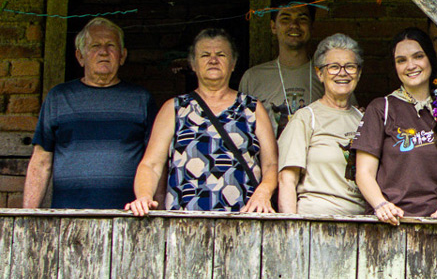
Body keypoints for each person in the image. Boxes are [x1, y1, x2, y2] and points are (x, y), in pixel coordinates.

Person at [126, 29, 278, 215]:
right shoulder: (174, 109)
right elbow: (151, 164)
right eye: (205, 55)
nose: (213, 60)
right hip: (183, 224)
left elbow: (271, 164)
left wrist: (263, 192)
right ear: (193, 64)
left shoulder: (252, 108)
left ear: (233, 63)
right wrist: (143, 196)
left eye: (221, 54)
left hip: (243, 223)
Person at [23, 17, 153, 209]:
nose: (103, 52)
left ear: (123, 55)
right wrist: (27, 216)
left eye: (111, 45)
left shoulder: (141, 99)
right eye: (95, 46)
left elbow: (155, 162)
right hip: (68, 216)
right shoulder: (59, 97)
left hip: (128, 218)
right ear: (80, 56)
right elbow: (41, 161)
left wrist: (157, 212)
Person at [354, 28, 437, 225]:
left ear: (431, 58)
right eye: (401, 60)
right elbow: (363, 172)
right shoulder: (381, 108)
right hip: (390, 223)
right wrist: (381, 205)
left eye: (418, 56)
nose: (410, 65)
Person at [275, 34, 367, 216]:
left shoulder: (365, 119)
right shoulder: (306, 118)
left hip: (362, 223)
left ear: (359, 73)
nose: (343, 73)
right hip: (316, 221)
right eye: (333, 67)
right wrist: (291, 229)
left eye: (350, 66)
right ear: (320, 73)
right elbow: (287, 180)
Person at [239, 0, 325, 130]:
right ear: (273, 26)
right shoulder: (253, 78)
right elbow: (242, 131)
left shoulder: (329, 76)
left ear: (311, 26)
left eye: (302, 19)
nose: (294, 25)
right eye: (285, 18)